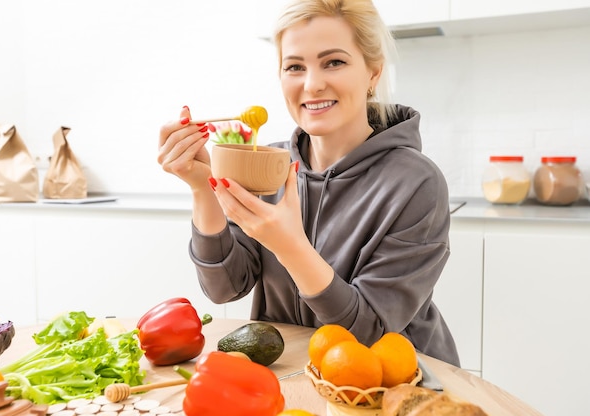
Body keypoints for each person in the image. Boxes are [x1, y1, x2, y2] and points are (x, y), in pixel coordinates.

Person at [157, 0, 460, 366]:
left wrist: (288, 246)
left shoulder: (416, 183)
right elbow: (224, 288)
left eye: (334, 62)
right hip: (291, 369)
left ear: (373, 73)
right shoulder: (267, 163)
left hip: (392, 381)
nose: (312, 84)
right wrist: (202, 188)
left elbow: (369, 332)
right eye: (295, 67)